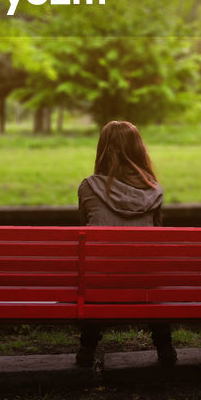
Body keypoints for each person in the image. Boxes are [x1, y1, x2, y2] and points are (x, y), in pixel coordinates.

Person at [75, 119, 176, 368]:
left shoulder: (88, 188)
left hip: (100, 280)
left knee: (96, 269)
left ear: (102, 150)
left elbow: (85, 227)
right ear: (138, 150)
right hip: (144, 281)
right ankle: (164, 346)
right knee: (151, 275)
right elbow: (157, 240)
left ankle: (87, 348)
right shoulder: (155, 191)